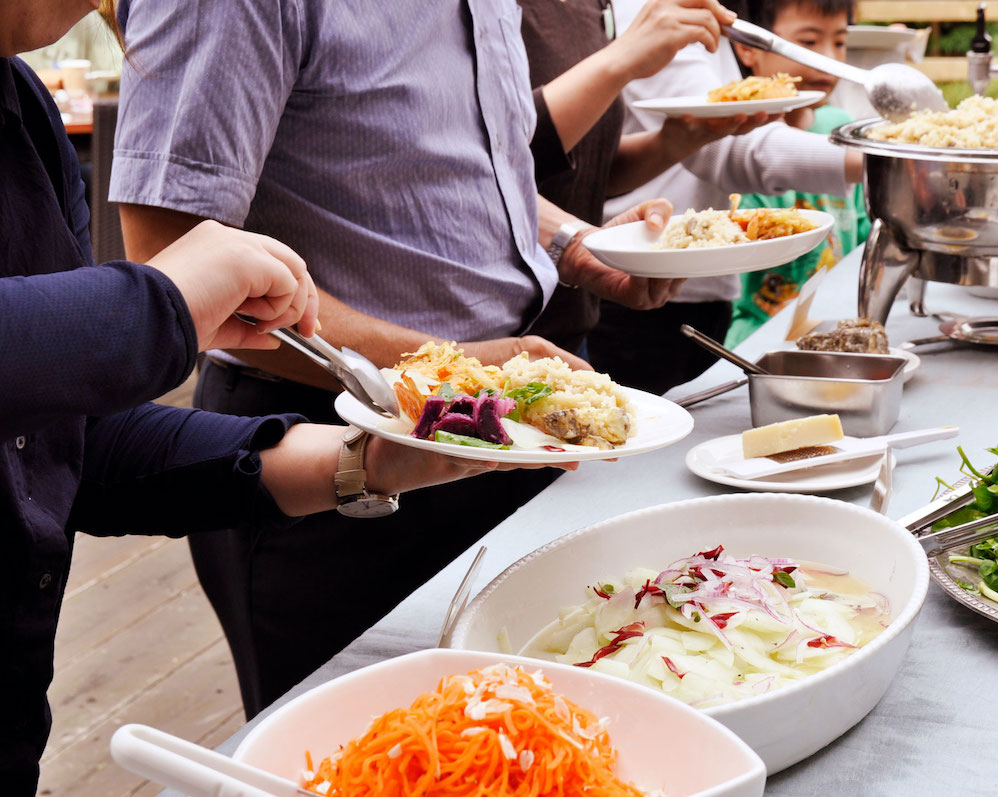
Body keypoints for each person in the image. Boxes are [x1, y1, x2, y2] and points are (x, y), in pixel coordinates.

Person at [0, 4, 569, 792]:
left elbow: (73, 441)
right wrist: (158, 301)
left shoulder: (22, 110)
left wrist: (363, 461)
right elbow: (155, 263)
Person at [110, 0, 683, 717]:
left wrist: (573, 242)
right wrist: (454, 368)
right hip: (328, 445)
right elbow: (171, 256)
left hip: (498, 427)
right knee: (367, 750)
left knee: (519, 736)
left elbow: (463, 171)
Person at [590, 0, 865, 395]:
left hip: (704, 288)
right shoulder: (654, 8)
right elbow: (721, 144)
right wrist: (888, 160)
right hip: (640, 290)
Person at [522, 0, 776, 354]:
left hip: (572, 319)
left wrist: (670, 144)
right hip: (493, 330)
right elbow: (490, 163)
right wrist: (620, 59)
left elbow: (581, 168)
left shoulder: (590, 7)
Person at [724, 0, 871, 348]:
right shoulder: (732, 149)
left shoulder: (838, 128)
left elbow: (863, 233)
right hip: (756, 341)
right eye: (808, 42)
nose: (828, 58)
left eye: (839, 41)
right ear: (749, 48)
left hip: (834, 331)